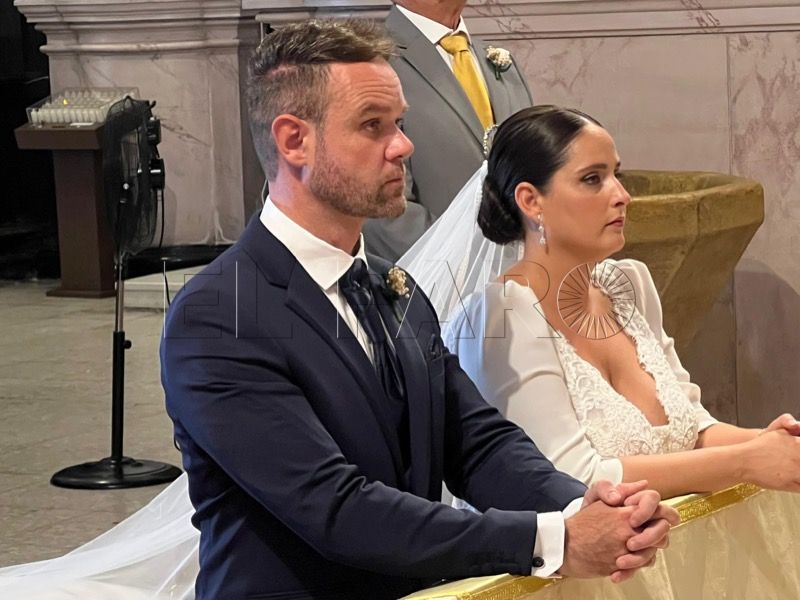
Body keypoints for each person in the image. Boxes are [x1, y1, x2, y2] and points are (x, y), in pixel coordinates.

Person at [0, 27, 674, 600]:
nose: (403, 146)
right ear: (294, 140)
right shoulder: (221, 314)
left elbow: (476, 442)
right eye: (373, 126)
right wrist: (552, 538)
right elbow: (335, 508)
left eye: (400, 123)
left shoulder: (394, 288)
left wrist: (581, 501)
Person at [400, 105, 800, 501]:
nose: (622, 196)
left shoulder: (627, 285)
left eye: (616, 175)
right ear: (531, 201)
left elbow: (693, 428)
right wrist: (745, 461)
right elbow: (570, 477)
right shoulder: (503, 318)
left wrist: (771, 442)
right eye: (592, 179)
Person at [363, 0, 533, 261]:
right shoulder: (373, 65)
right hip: (439, 272)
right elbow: (381, 210)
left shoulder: (500, 64)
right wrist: (472, 264)